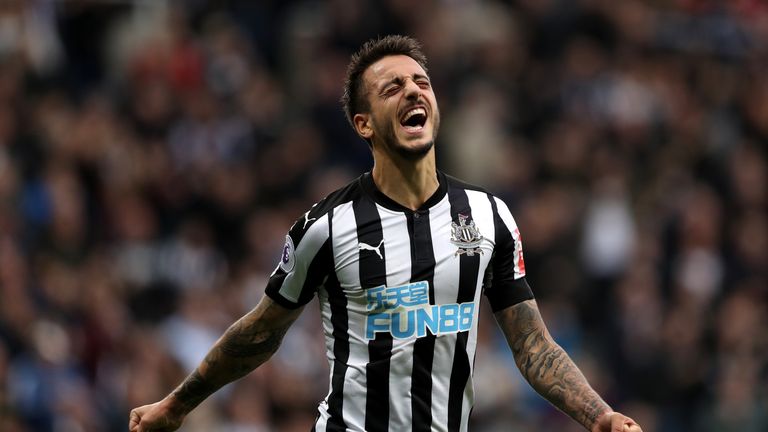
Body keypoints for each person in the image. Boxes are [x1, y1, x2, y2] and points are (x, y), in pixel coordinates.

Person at [129, 35, 643, 432]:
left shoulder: (488, 216)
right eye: (391, 88)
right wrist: (176, 405)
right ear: (363, 124)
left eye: (420, 81)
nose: (413, 91)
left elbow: (532, 344)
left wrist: (599, 416)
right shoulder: (327, 227)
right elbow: (261, 331)